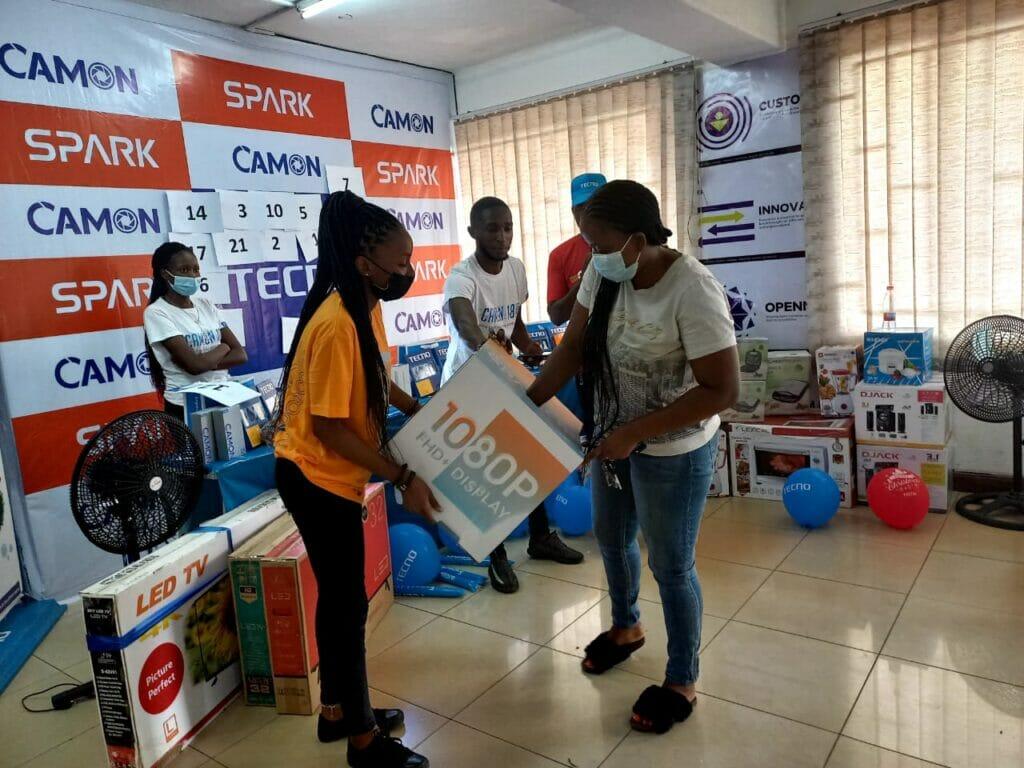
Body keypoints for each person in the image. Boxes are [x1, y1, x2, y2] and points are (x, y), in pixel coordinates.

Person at [527, 180, 738, 735]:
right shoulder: (604, 272)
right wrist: (525, 402)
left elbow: (722, 389)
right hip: (612, 437)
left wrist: (636, 433)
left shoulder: (693, 289)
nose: (591, 257)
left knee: (670, 564)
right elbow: (573, 347)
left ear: (638, 241)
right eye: (588, 244)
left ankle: (682, 680)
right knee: (612, 537)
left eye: (600, 245)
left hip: (673, 450)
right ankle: (626, 628)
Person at [273, 192, 436, 768]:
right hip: (315, 477)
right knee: (347, 610)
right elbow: (329, 428)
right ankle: (363, 742)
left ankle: (337, 711)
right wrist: (402, 475)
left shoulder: (364, 306)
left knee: (340, 601)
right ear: (367, 265)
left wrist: (418, 410)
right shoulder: (338, 323)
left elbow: (374, 376)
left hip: (325, 472)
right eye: (401, 263)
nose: (408, 271)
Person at [442, 196, 584, 594]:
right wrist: (493, 350)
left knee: (528, 457)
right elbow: (468, 328)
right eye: (492, 228)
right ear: (473, 232)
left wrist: (527, 346)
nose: (502, 236)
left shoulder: (516, 268)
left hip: (505, 377)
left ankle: (539, 538)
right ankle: (497, 557)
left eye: (507, 227)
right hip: (468, 385)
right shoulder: (461, 278)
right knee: (488, 474)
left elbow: (514, 320)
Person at [143, 242, 247, 421]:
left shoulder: (206, 305)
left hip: (223, 397)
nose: (192, 275)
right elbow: (194, 366)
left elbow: (240, 355)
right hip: (185, 405)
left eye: (196, 269)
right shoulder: (157, 312)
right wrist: (223, 347)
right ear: (165, 274)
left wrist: (206, 362)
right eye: (184, 270)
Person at [547, 172, 606, 326]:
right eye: (583, 207)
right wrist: (586, 279)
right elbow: (556, 316)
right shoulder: (560, 255)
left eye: (597, 205)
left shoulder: (630, 245)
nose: (591, 213)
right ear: (574, 212)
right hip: (584, 338)